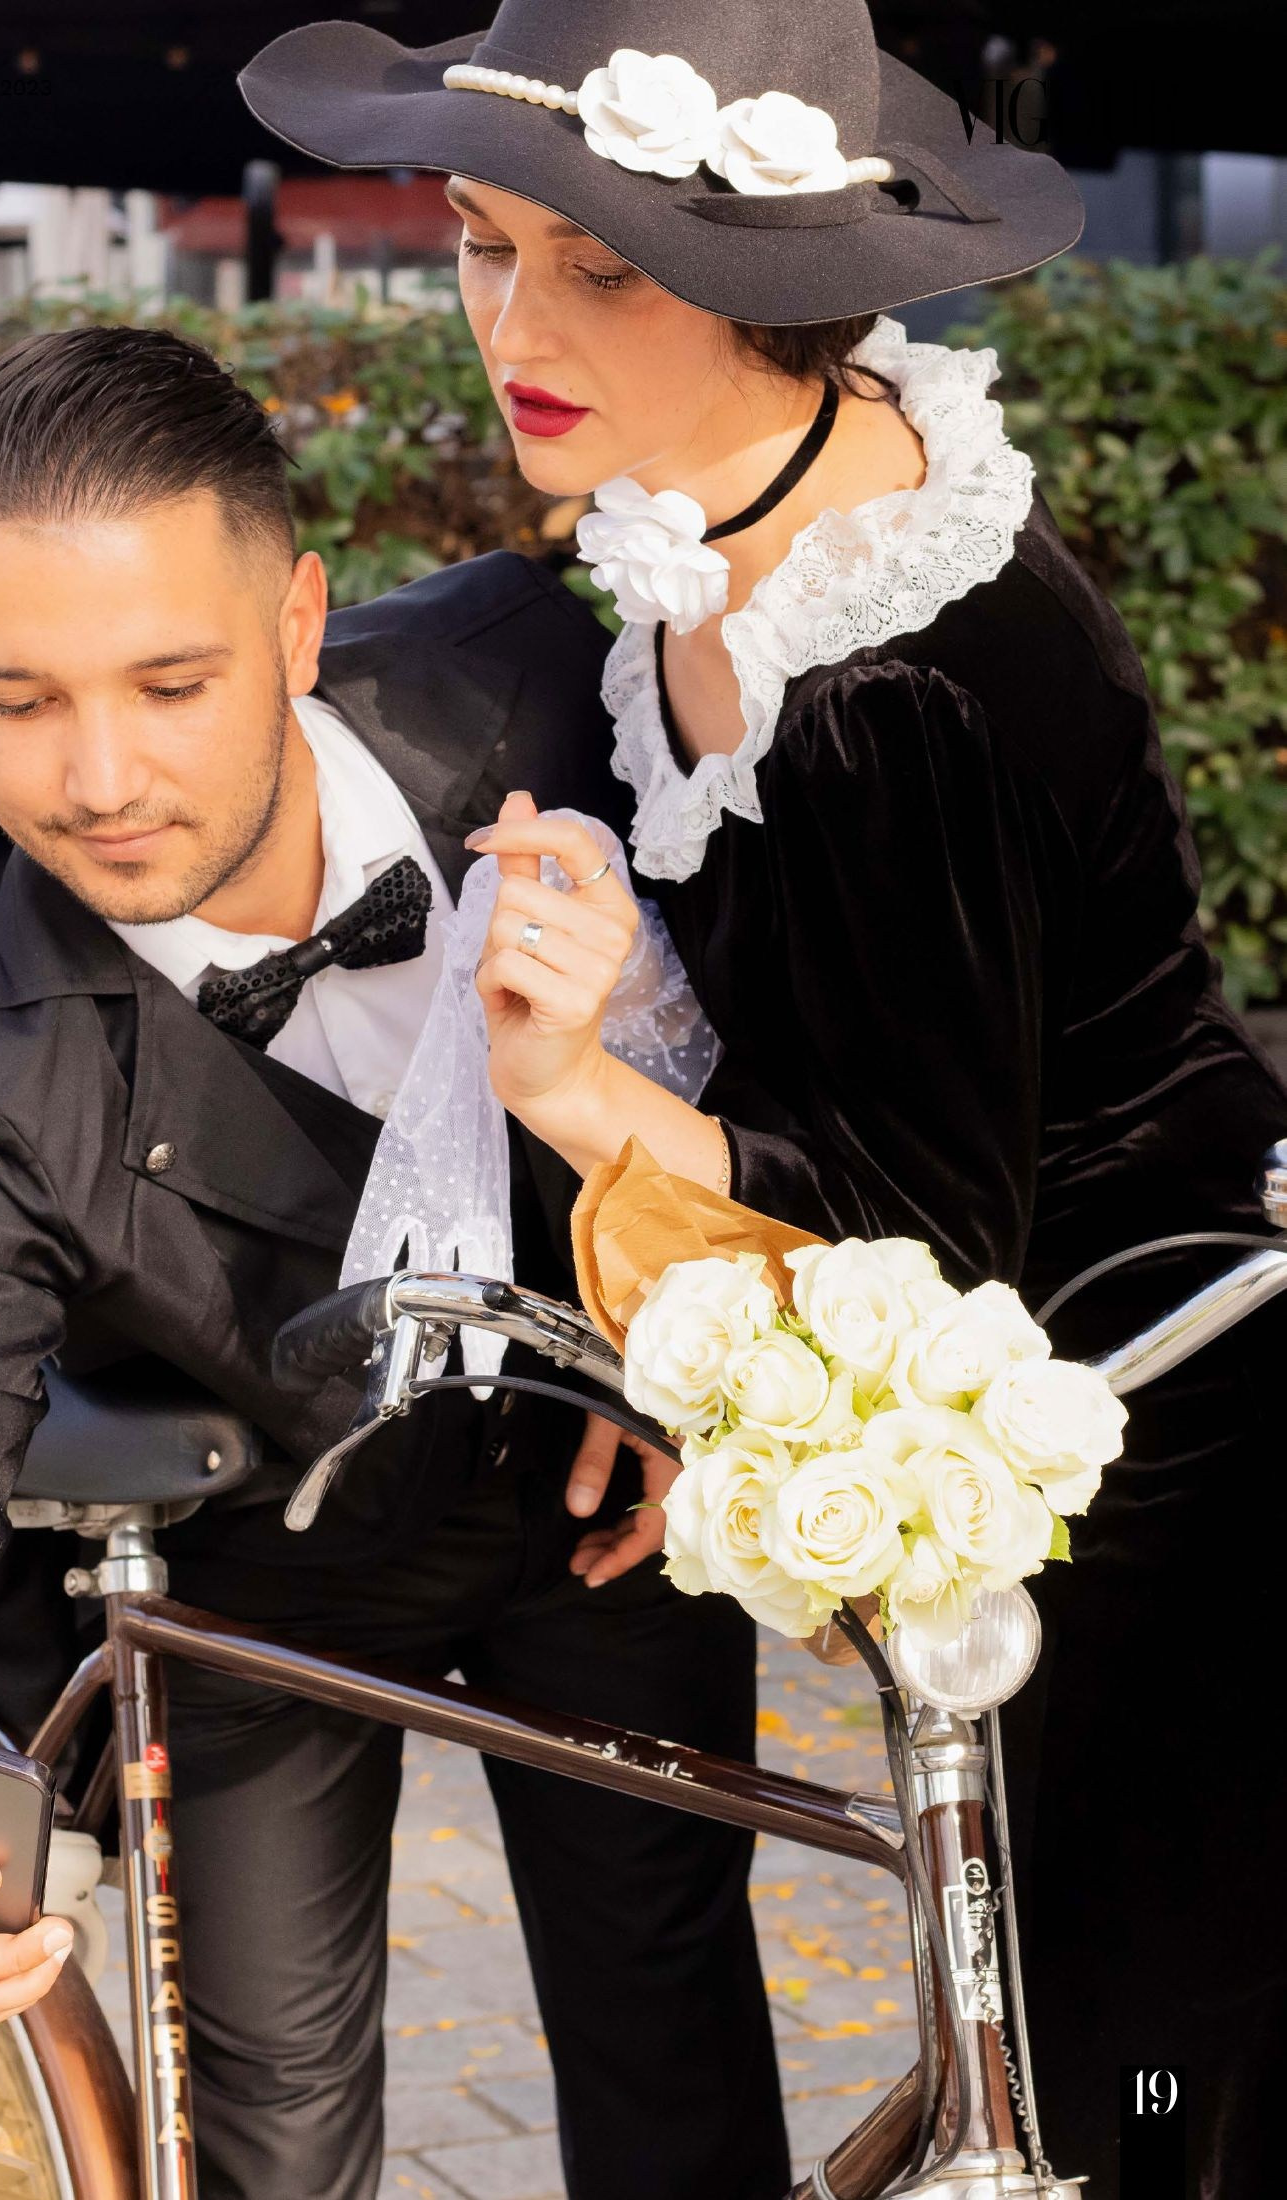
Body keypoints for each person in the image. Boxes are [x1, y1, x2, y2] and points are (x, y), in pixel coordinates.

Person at [241, 0, 1287, 2191]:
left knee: (1130, 2090)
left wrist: (576, 1095)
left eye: (602, 270)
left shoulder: (908, 666)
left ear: (784, 297)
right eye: (474, 239)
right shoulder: (710, 524)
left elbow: (930, 1228)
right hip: (981, 1411)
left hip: (1151, 1437)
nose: (511, 318)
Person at [0, 325, 790, 2200]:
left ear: (294, 623)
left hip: (607, 1500)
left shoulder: (537, 677)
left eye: (170, 682)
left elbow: (778, 1021)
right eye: (16, 699)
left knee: (678, 2038)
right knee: (271, 2127)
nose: (98, 778)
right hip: (278, 1562)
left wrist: (702, 1327)